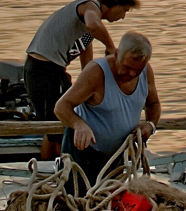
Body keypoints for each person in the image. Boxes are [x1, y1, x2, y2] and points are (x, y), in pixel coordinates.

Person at [24, 0, 138, 157]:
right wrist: (111, 47)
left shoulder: (86, 32)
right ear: (115, 1)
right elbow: (93, 25)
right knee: (55, 126)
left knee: (70, 116)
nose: (123, 17)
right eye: (124, 10)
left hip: (55, 70)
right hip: (42, 69)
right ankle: (48, 170)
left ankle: (68, 164)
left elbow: (88, 64)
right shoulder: (90, 7)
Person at [54, 31, 159, 187]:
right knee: (78, 202)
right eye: (127, 67)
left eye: (137, 71)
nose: (131, 74)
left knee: (112, 203)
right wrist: (78, 124)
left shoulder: (146, 71)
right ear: (116, 54)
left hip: (117, 156)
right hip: (84, 153)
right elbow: (61, 107)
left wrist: (150, 125)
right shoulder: (96, 73)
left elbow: (153, 104)